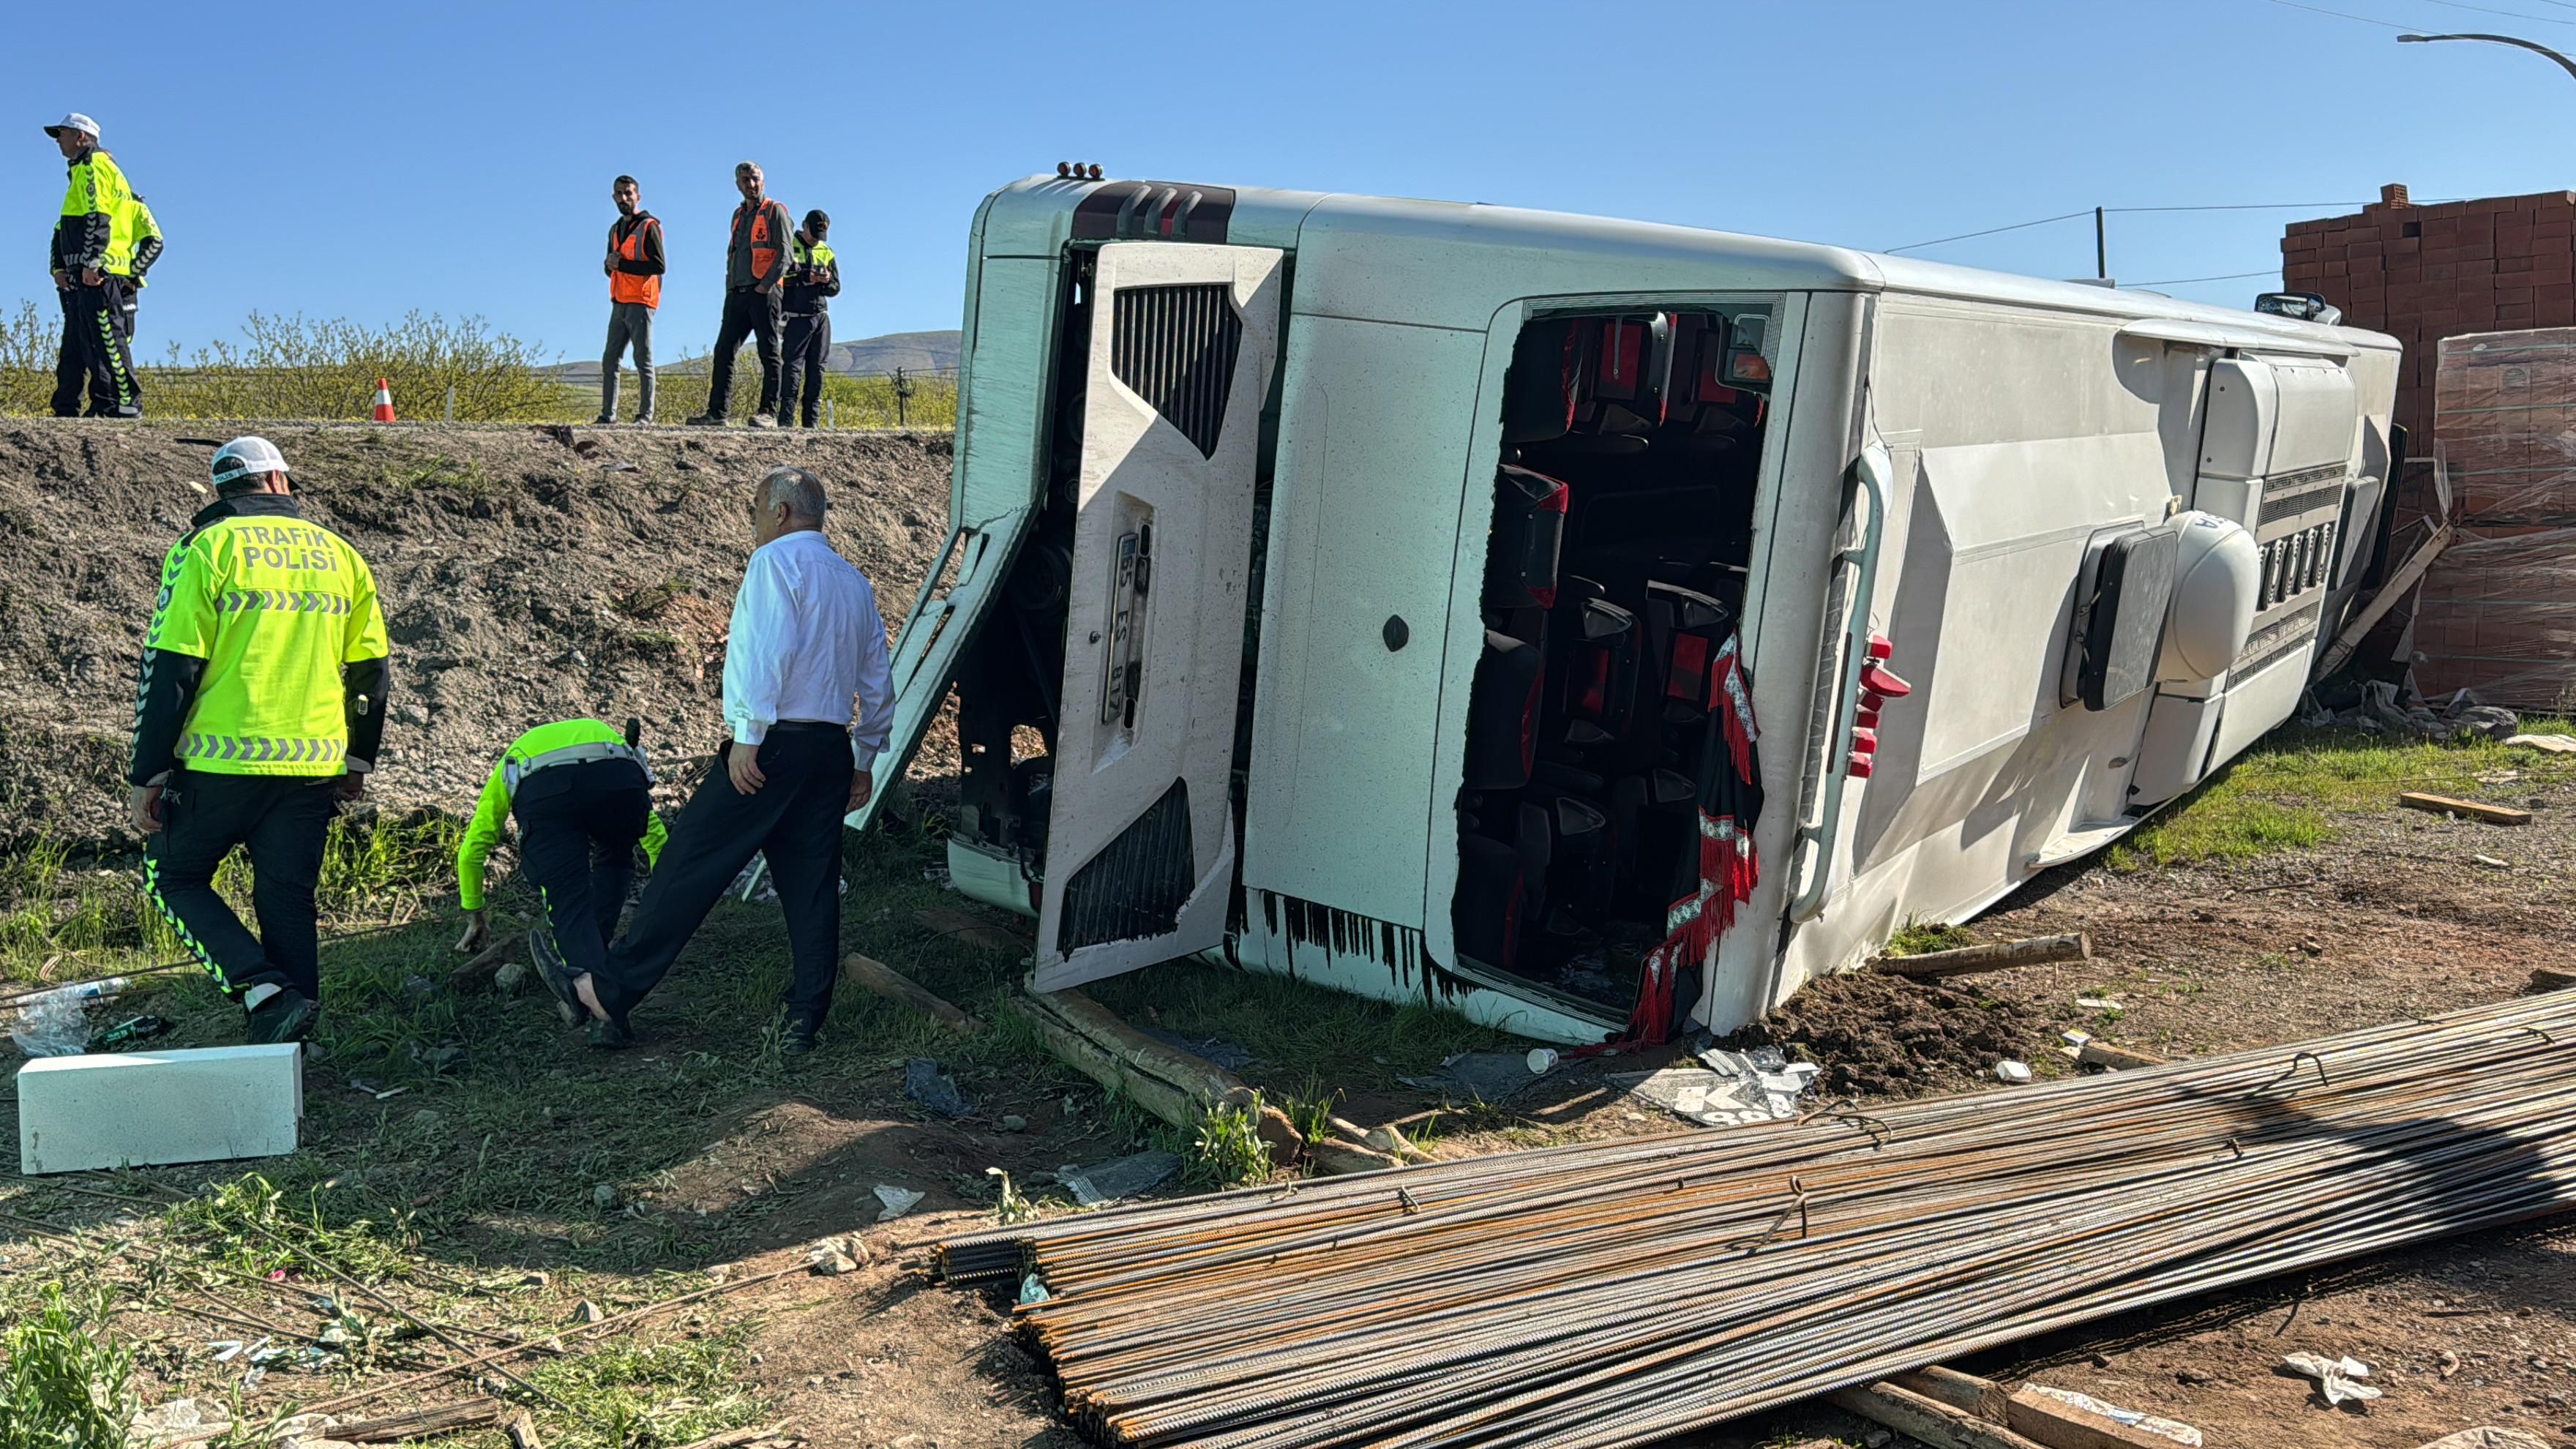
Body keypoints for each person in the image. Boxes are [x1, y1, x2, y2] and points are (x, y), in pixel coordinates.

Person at [534, 467, 890, 1053]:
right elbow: (876, 676)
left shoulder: (776, 563)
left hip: (773, 743)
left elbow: (764, 648)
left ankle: (605, 990)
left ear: (779, 513)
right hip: (830, 748)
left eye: (755, 511)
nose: (753, 525)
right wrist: (866, 753)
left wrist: (748, 733)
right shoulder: (854, 581)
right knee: (812, 883)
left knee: (688, 863)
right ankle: (804, 1018)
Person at [128, 437, 392, 1044]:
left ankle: (263, 991)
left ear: (222, 490)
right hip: (312, 766)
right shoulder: (342, 553)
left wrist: (149, 771)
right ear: (279, 482)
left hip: (219, 764)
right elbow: (372, 672)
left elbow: (170, 666)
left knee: (172, 877)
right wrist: (358, 760)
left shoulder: (204, 548)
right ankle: (295, 1043)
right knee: (287, 898)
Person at [453, 718, 669, 1010]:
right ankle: (598, 958)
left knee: (567, 894)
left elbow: (474, 848)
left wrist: (475, 915)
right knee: (617, 852)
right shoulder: (606, 736)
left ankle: (595, 997)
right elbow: (655, 839)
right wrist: (664, 904)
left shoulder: (515, 758)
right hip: (619, 776)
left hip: (546, 789)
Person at [45, 113, 148, 419]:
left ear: (81, 137)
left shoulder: (93, 167)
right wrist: (63, 267)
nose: (58, 140)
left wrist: (92, 262)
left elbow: (97, 216)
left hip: (100, 272)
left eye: (62, 134)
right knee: (87, 342)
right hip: (87, 271)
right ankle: (103, 405)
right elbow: (64, 228)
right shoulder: (85, 169)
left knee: (107, 337)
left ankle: (127, 403)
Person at [687, 162, 793, 429]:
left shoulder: (775, 211)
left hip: (764, 292)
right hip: (737, 292)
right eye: (745, 180)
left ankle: (768, 412)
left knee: (768, 351)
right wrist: (730, 287)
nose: (751, 184)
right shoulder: (738, 215)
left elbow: (786, 254)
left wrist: (766, 285)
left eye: (755, 179)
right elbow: (732, 253)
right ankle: (717, 413)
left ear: (763, 181)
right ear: (737, 185)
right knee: (724, 351)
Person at [599, 176, 664, 425]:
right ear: (614, 197)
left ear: (638, 196)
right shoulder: (615, 229)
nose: (624, 198)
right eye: (619, 193)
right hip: (619, 301)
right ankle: (608, 415)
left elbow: (659, 265)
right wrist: (609, 265)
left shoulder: (649, 227)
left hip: (641, 301)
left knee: (643, 359)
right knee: (610, 359)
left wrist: (622, 264)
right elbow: (610, 267)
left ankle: (646, 415)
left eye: (628, 193)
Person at [779, 210, 839, 429]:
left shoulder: (826, 251)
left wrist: (826, 279)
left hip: (821, 318)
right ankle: (785, 421)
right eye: (813, 233)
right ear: (804, 225)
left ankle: (811, 424)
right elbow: (781, 275)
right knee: (792, 369)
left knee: (817, 371)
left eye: (820, 235)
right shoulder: (789, 245)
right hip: (796, 318)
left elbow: (835, 288)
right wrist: (806, 275)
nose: (816, 238)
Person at [123, 194, 162, 342]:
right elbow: (155, 243)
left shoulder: (132, 204)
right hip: (121, 286)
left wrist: (133, 271)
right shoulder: (133, 203)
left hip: (121, 287)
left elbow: (155, 243)